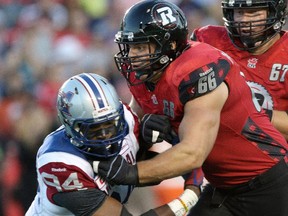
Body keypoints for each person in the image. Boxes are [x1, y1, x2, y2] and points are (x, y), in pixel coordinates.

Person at [93, 0, 288, 216]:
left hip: (268, 180)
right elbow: (135, 128)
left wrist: (131, 172)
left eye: (141, 46)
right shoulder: (158, 68)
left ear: (172, 46)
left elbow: (193, 152)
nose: (132, 56)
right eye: (130, 47)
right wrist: (144, 134)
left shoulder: (199, 68)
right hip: (222, 185)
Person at [25, 72, 200, 216]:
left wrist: (145, 143)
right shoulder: (61, 163)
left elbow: (139, 173)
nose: (104, 136)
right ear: (70, 126)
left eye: (108, 125)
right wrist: (186, 200)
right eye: (93, 129)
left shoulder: (127, 120)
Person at [191, 0, 288, 140]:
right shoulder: (209, 40)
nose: (244, 21)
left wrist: (247, 111)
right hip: (213, 142)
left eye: (253, 13)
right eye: (239, 12)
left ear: (276, 12)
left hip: (271, 150)